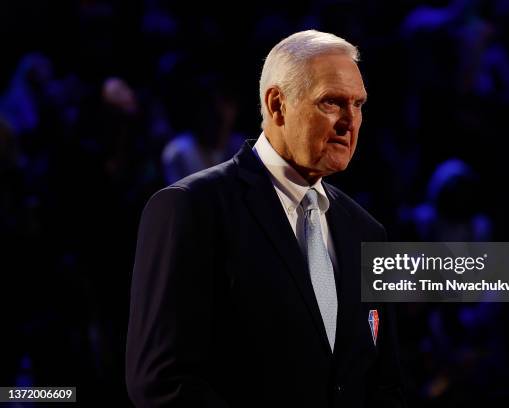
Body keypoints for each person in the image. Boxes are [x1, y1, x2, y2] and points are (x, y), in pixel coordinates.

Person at [126, 29, 406, 407]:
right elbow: (163, 381)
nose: (349, 121)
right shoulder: (191, 208)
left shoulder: (367, 231)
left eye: (358, 104)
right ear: (277, 105)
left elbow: (382, 382)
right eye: (332, 102)